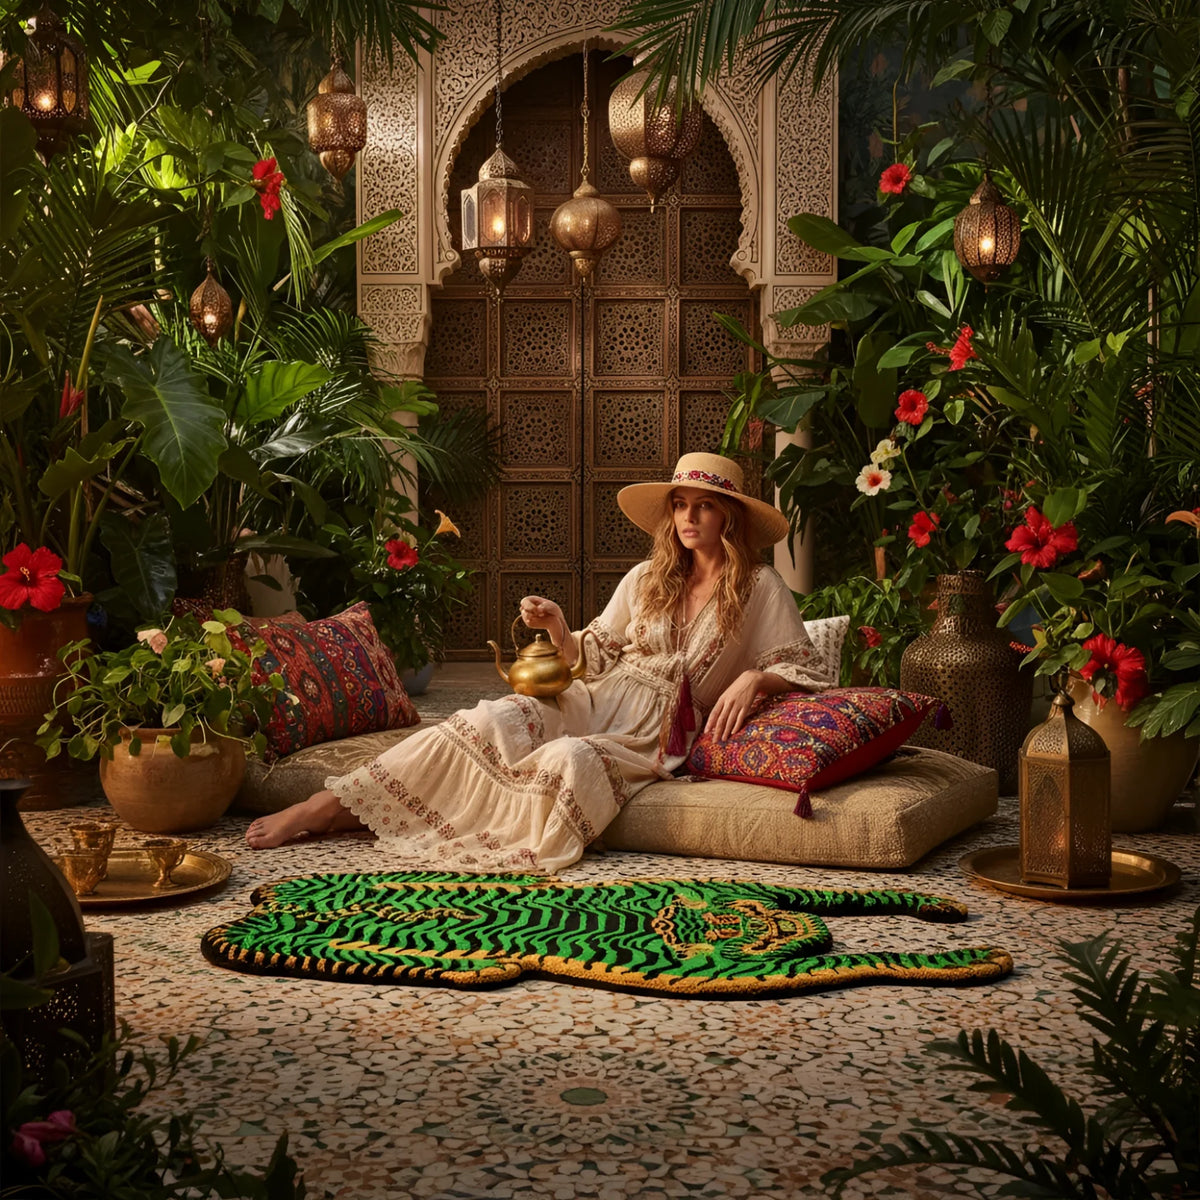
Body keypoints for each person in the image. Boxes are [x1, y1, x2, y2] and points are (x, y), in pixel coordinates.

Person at [245, 453, 835, 868]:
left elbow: (806, 669)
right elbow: (595, 653)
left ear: (728, 516)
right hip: (597, 695)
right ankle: (326, 805)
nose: (688, 517)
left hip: (655, 733)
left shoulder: (759, 587)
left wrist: (755, 677)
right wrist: (557, 625)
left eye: (703, 506)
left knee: (568, 758)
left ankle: (391, 819)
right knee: (488, 718)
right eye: (680, 504)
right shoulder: (646, 577)